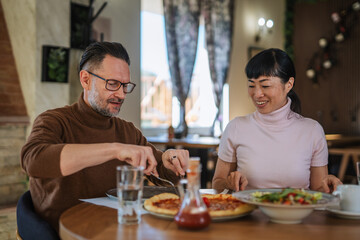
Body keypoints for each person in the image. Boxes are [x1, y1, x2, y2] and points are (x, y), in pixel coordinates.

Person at [21, 41, 188, 232]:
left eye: (125, 86)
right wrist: (114, 149)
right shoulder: (54, 120)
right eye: (113, 84)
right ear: (85, 79)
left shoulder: (127, 131)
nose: (121, 94)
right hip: (64, 233)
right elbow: (33, 160)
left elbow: (159, 167)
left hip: (115, 230)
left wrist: (170, 160)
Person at [212, 48, 342, 193]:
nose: (257, 94)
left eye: (265, 85)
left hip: (296, 213)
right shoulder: (236, 127)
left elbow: (318, 190)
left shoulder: (312, 130)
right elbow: (217, 183)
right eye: (251, 85)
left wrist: (329, 185)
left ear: (289, 84)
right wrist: (228, 183)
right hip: (249, 214)